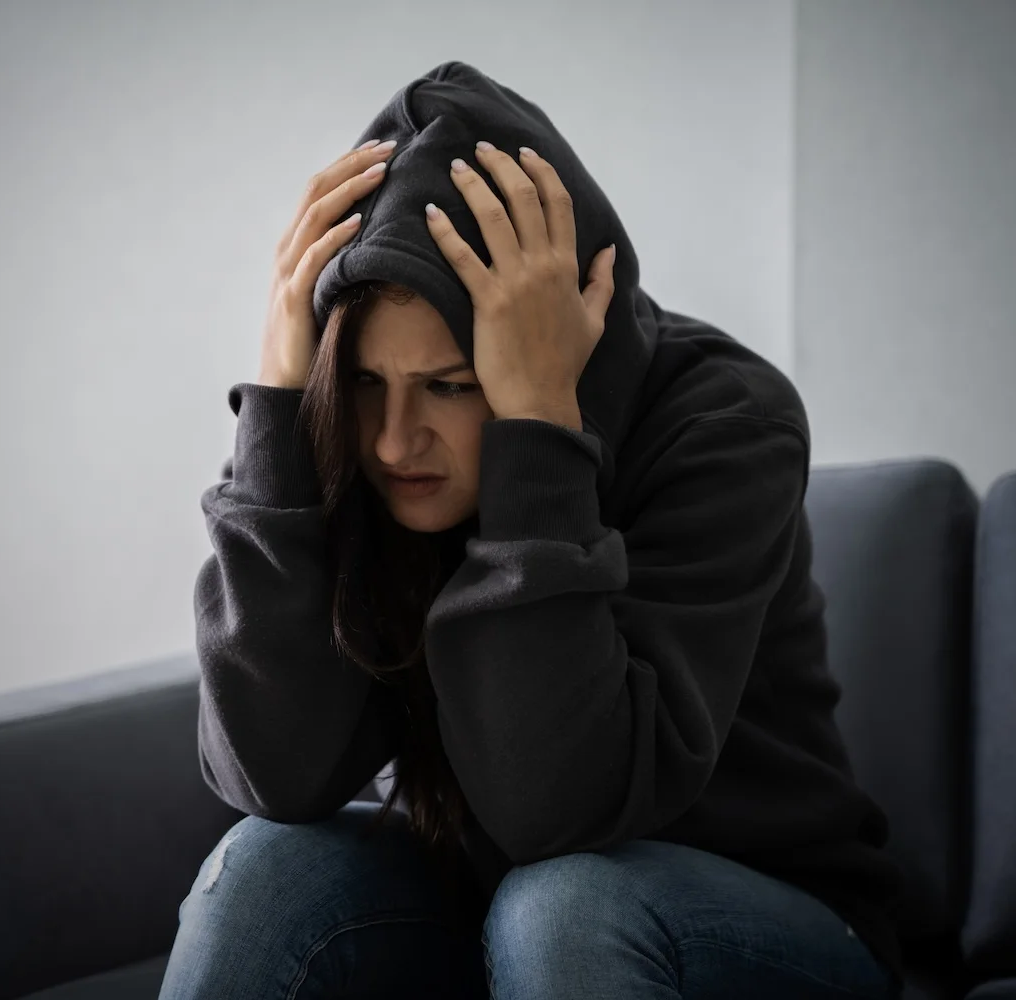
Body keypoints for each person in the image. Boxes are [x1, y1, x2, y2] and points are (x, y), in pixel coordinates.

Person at [159, 60, 905, 999]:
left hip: (768, 919)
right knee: (263, 872)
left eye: (451, 385)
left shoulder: (728, 423)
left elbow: (558, 813)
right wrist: (280, 411)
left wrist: (539, 437)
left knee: (564, 906)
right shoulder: (350, 437)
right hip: (497, 894)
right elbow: (273, 777)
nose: (395, 440)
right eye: (362, 383)